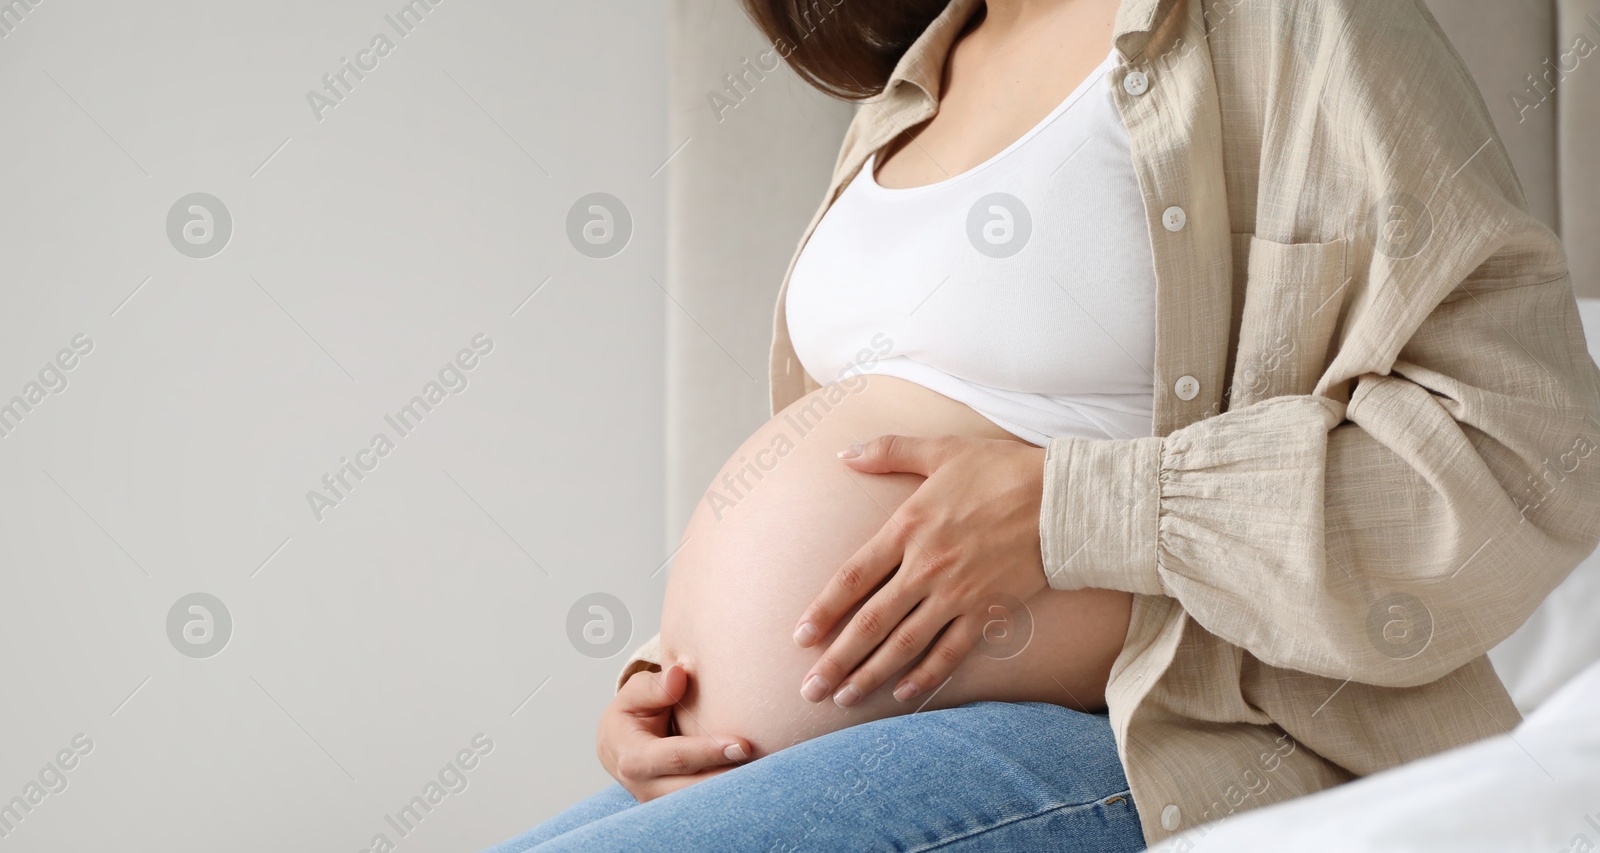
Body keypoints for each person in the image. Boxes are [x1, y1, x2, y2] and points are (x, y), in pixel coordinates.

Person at [487, 0, 1600, 849]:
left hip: (1145, 734)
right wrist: (669, 672)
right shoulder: (910, 89)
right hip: (785, 749)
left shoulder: (1279, 25)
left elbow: (1532, 443)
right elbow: (859, 430)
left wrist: (1074, 508)